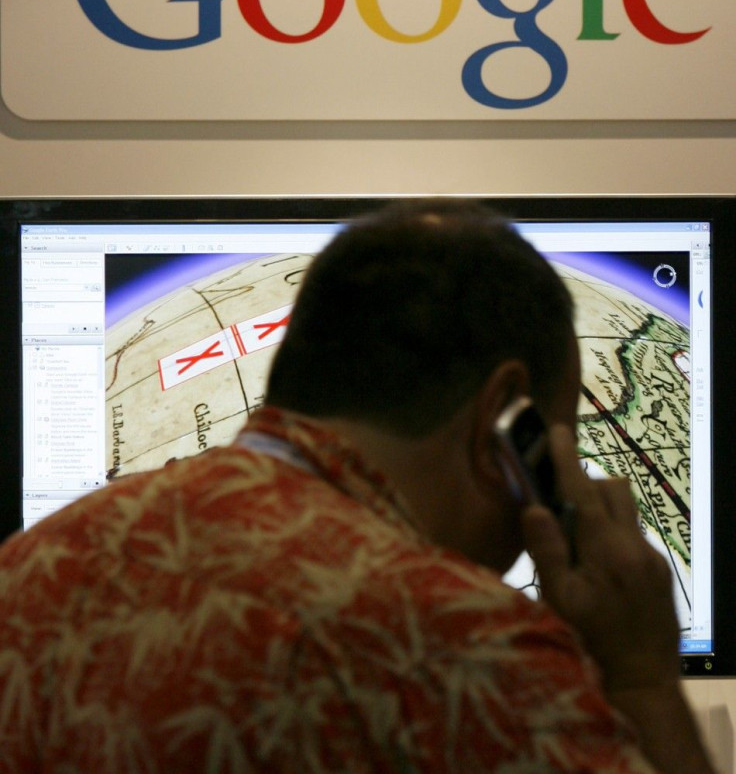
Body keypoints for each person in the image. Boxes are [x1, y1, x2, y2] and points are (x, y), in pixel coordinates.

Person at [0, 199, 714, 774]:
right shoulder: (456, 643)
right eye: (560, 440)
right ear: (504, 413)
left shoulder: (34, 567)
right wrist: (640, 675)